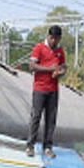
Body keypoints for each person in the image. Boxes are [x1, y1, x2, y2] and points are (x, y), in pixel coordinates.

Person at [26, 25, 67, 158]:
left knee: (51, 119)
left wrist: (60, 72)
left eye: (56, 39)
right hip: (40, 88)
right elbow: (32, 66)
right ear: (48, 36)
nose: (54, 41)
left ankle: (47, 146)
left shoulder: (60, 51)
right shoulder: (39, 48)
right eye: (51, 38)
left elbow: (63, 66)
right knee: (36, 116)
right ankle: (30, 145)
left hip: (53, 89)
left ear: (59, 38)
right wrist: (49, 69)